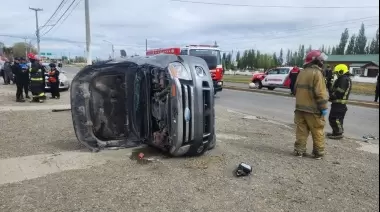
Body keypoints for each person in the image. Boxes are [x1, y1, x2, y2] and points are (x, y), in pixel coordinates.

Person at [293, 50, 329, 160]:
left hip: (299, 109)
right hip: (313, 110)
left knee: (301, 131)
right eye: (321, 60)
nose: (322, 62)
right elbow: (321, 93)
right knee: (317, 130)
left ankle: (299, 151)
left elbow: (295, 90)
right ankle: (318, 153)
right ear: (316, 61)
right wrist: (323, 108)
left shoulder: (302, 72)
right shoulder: (317, 73)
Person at [327, 64, 352, 139]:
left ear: (341, 71)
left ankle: (338, 133)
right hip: (338, 103)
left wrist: (331, 95)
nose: (336, 74)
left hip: (339, 103)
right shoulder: (344, 78)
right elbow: (336, 89)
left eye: (337, 73)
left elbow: (340, 91)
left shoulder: (343, 79)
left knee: (335, 119)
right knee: (334, 118)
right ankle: (335, 132)